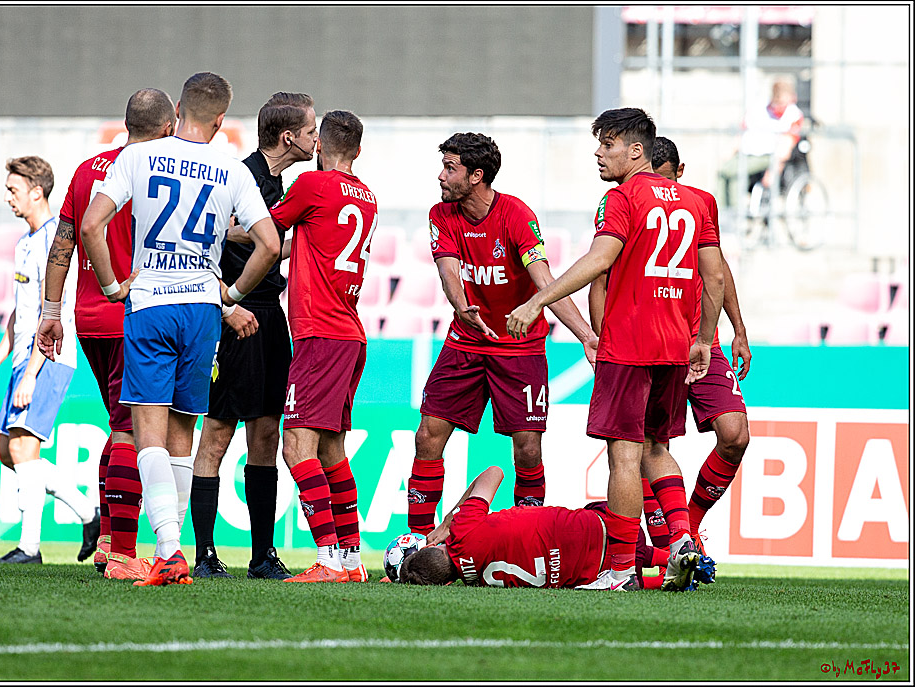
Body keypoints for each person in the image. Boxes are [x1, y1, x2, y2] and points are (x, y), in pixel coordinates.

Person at [506, 108, 725, 592]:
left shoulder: (621, 198)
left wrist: (538, 298)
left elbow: (602, 259)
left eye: (607, 144)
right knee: (657, 448)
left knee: (623, 457)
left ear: (635, 150)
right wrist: (704, 339)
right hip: (675, 344)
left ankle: (621, 568)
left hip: (628, 344)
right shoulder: (700, 201)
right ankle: (682, 541)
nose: (598, 153)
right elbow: (714, 276)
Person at [79, 72, 281, 587]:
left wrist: (110, 286)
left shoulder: (137, 157)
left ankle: (168, 551)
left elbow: (90, 226)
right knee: (182, 435)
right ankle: (176, 551)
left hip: (150, 303)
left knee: (145, 428)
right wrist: (231, 296)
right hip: (202, 311)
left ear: (176, 115)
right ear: (220, 120)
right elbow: (270, 244)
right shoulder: (232, 167)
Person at [406, 132, 598, 538]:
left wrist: (585, 335)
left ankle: (527, 538)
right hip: (466, 342)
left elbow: (544, 281)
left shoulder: (516, 216)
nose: (441, 176)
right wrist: (461, 307)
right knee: (427, 436)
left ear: (477, 175)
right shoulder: (441, 214)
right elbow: (447, 270)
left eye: (450, 168)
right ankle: (416, 543)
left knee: (528, 448)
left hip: (520, 347)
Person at [37, 88, 178, 581]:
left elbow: (62, 244)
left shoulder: (86, 170)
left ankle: (104, 544)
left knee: (119, 425)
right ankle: (122, 553)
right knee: (132, 432)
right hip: (136, 316)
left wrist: (50, 313)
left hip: (90, 320)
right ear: (168, 126)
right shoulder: (161, 173)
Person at [189, 92, 317, 580]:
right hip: (234, 314)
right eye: (310, 131)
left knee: (265, 433)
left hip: (270, 316)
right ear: (289, 137)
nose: (316, 139)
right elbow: (203, 241)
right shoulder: (235, 176)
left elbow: (270, 243)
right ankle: (204, 555)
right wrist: (226, 302)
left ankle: (262, 557)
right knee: (218, 432)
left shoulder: (286, 185)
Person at [267, 110, 376, 583]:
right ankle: (352, 562)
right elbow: (308, 241)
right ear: (357, 150)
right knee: (332, 448)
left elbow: (264, 230)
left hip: (320, 334)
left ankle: (328, 558)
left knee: (296, 446)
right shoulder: (367, 196)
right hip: (349, 335)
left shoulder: (312, 186)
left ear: (318, 146)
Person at [0, 156, 99, 564]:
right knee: (6, 451)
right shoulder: (24, 243)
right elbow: (20, 310)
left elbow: (55, 310)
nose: (8, 197)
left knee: (25, 449)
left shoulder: (53, 241)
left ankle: (29, 548)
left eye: (14, 190)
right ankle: (88, 512)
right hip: (21, 360)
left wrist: (32, 371)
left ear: (37, 191)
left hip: (49, 357)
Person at [648, 136, 751, 554]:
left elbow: (717, 267)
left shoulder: (701, 203)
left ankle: (688, 524)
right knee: (650, 442)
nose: (663, 192)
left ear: (681, 171)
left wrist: (738, 329)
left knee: (735, 434)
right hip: (651, 343)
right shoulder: (624, 200)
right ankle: (669, 539)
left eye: (668, 180)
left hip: (700, 342)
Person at [397, 466, 711, 589]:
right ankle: (672, 555)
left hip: (590, 573)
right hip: (601, 530)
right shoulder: (463, 529)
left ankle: (666, 580)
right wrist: (450, 519)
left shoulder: (478, 583)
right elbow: (494, 472)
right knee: (603, 517)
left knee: (619, 570)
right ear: (436, 546)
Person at [718, 78, 805, 207]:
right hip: (747, 152)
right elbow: (742, 133)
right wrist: (730, 152)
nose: (779, 106)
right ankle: (718, 213)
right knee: (722, 172)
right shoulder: (759, 109)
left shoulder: (793, 115)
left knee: (733, 172)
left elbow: (785, 147)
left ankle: (735, 214)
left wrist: (773, 170)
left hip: (766, 156)